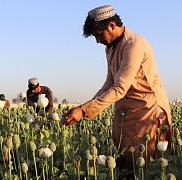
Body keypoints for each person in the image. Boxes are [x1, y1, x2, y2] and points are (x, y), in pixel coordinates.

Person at [63, 5, 172, 171]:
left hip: (147, 112)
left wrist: (84, 110)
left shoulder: (133, 46)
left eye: (99, 35)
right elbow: (109, 83)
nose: (97, 41)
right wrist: (83, 108)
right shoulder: (111, 47)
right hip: (126, 113)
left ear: (112, 25)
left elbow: (120, 88)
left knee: (147, 166)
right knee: (125, 161)